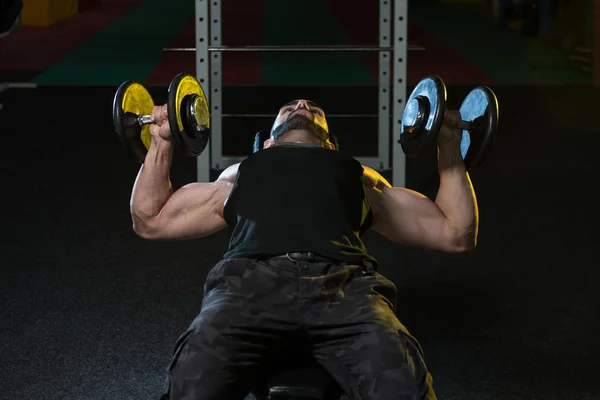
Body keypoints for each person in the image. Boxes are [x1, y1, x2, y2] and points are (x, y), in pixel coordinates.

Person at [130, 99, 478, 400]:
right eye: (289, 108)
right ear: (267, 144)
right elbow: (151, 219)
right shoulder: (242, 172)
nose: (301, 107)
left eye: (313, 109)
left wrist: (448, 143)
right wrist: (161, 140)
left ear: (331, 146)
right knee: (192, 386)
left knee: (404, 388)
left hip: (345, 288)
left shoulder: (356, 174)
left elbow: (455, 231)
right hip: (249, 286)